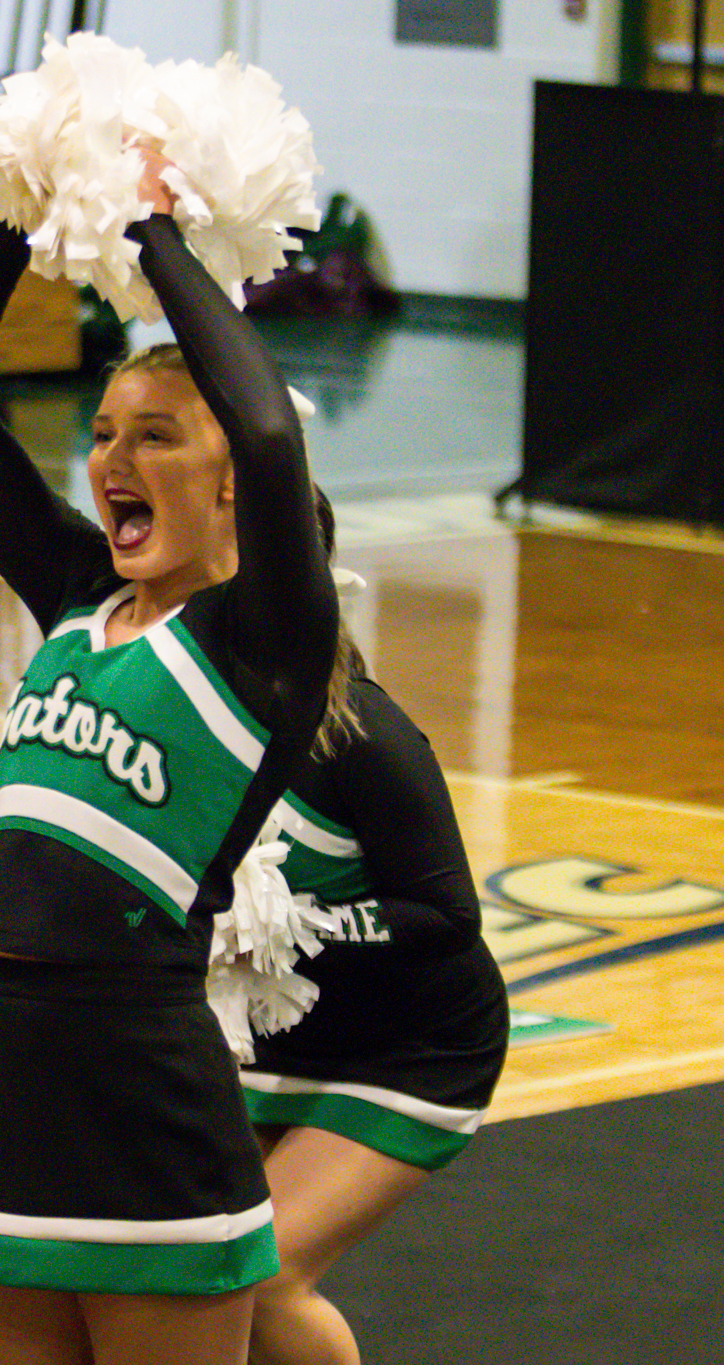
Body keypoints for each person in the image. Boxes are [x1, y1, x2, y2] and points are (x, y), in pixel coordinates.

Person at [0, 150, 339, 1365]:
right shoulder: (79, 595)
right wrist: (21, 207)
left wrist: (149, 233)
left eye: (154, 439)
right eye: (100, 435)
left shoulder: (267, 643)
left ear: (234, 483)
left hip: (140, 1085)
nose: (111, 463)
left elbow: (264, 423)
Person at [241, 493, 509, 1365]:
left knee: (261, 1277)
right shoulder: (193, 715)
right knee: (163, 1259)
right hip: (281, 1036)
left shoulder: (365, 731)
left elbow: (447, 915)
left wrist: (296, 925)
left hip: (413, 1043)